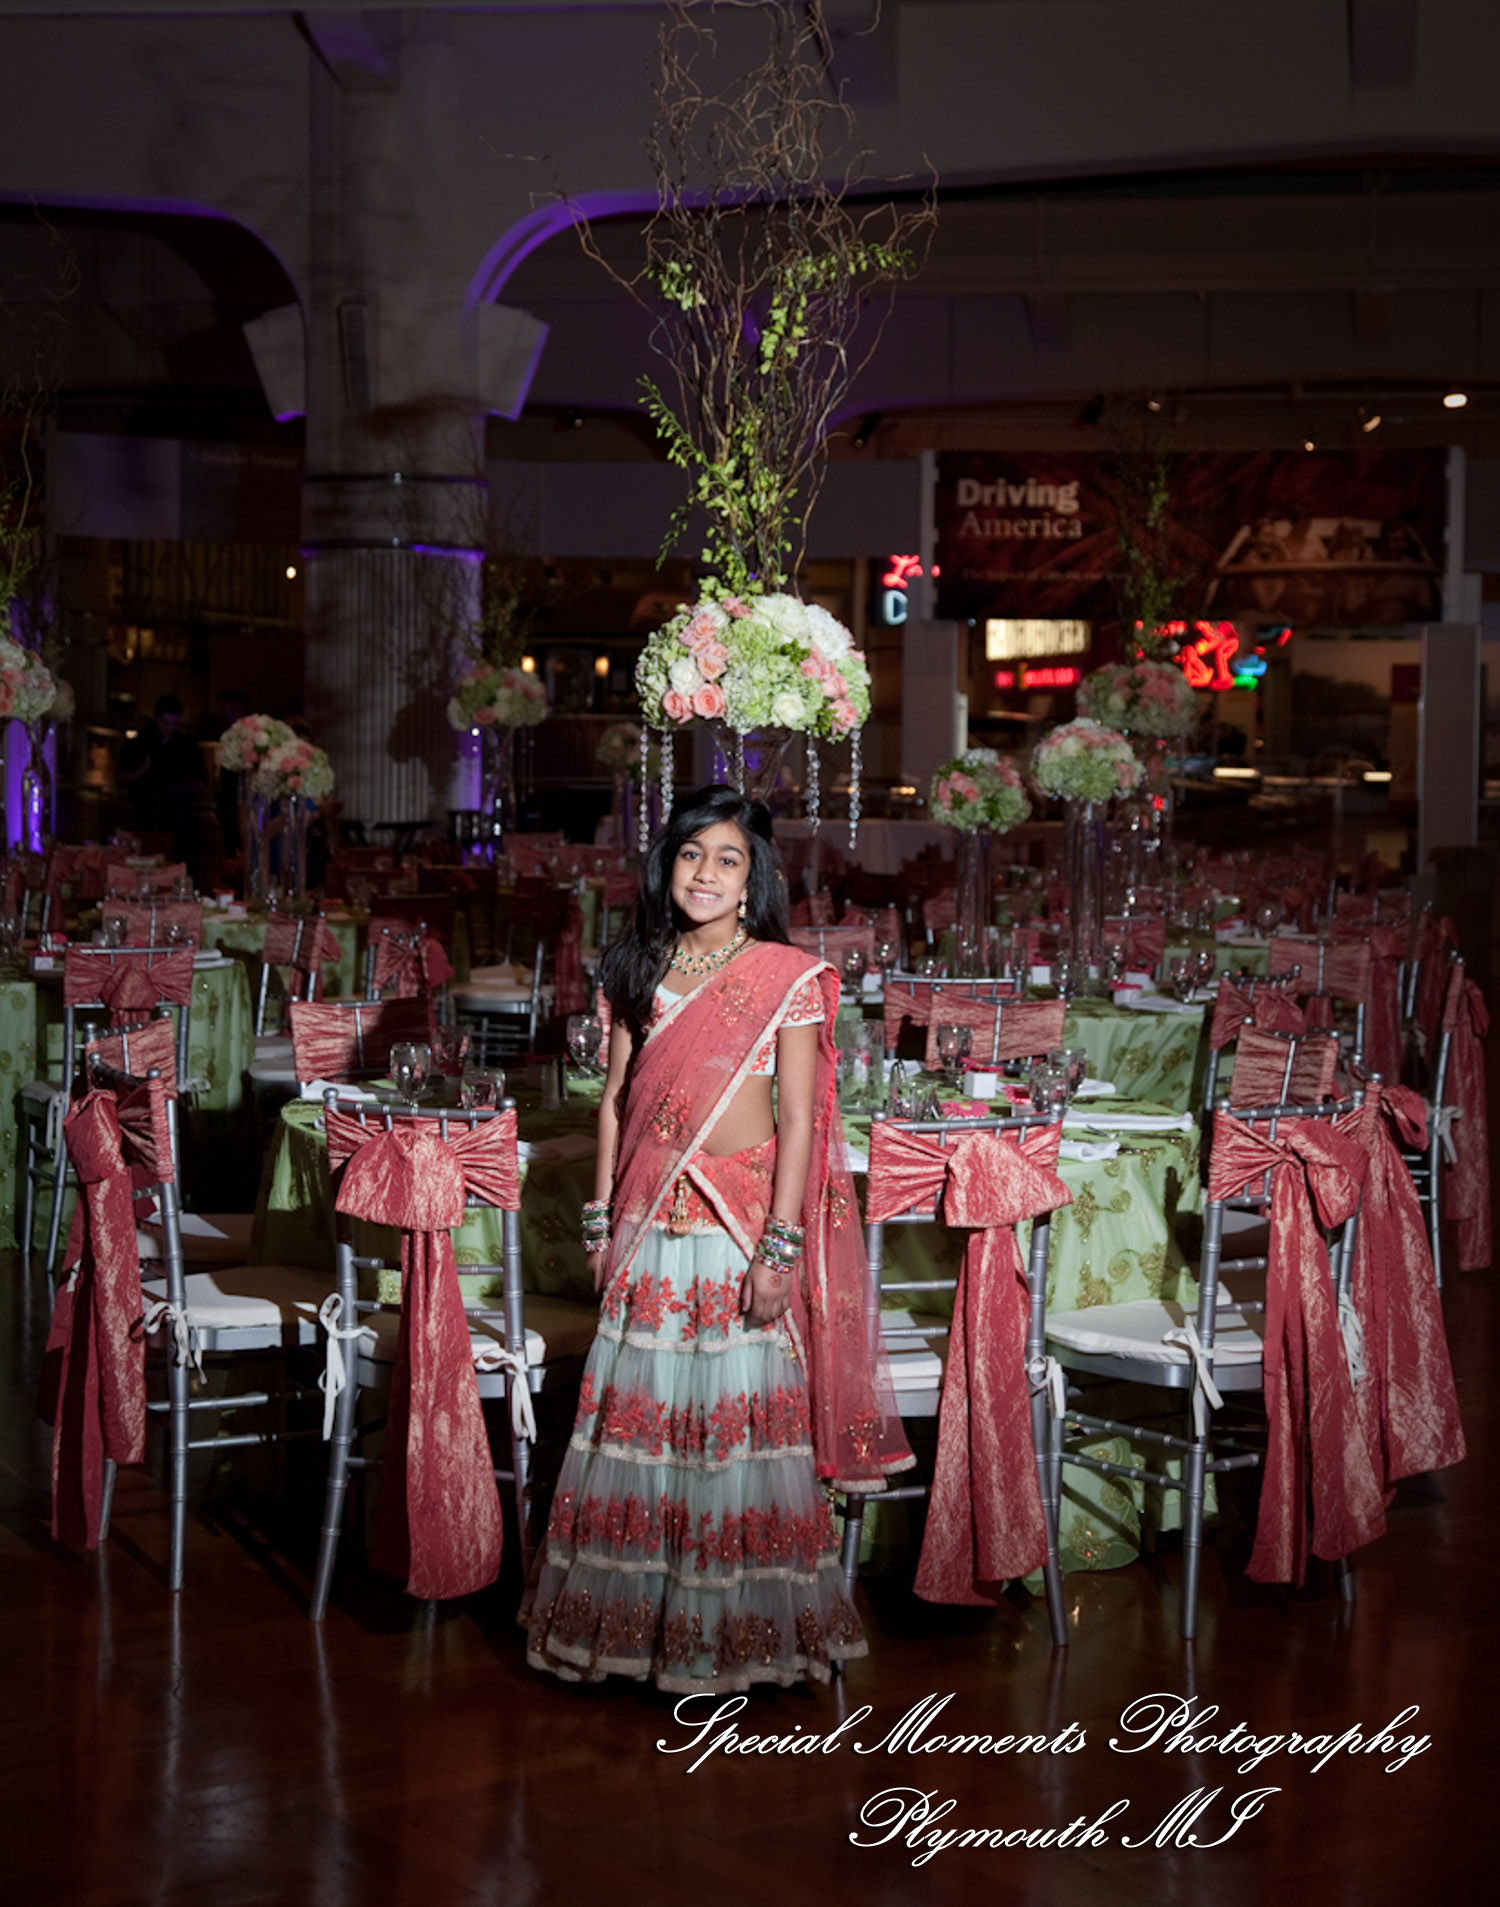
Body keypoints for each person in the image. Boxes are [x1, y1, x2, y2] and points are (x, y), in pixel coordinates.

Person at [523, 785, 911, 1693]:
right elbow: (615, 1104)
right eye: (692, 854)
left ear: (753, 879)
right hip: (652, 1222)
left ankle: (737, 1636)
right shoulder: (639, 965)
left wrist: (781, 1248)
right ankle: (630, 1632)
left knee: (732, 1436)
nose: (706, 873)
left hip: (740, 1228)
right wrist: (598, 1215)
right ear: (669, 865)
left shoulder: (788, 976)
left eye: (727, 859)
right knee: (645, 1426)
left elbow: (803, 1127)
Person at [117, 694, 206, 872]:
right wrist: (144, 768)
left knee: (177, 868)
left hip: (178, 818)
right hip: (144, 815)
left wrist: (176, 788)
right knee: (142, 866)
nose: (169, 728)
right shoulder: (140, 742)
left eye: (174, 723)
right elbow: (121, 778)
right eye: (165, 722)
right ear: (157, 718)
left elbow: (200, 783)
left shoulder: (186, 745)